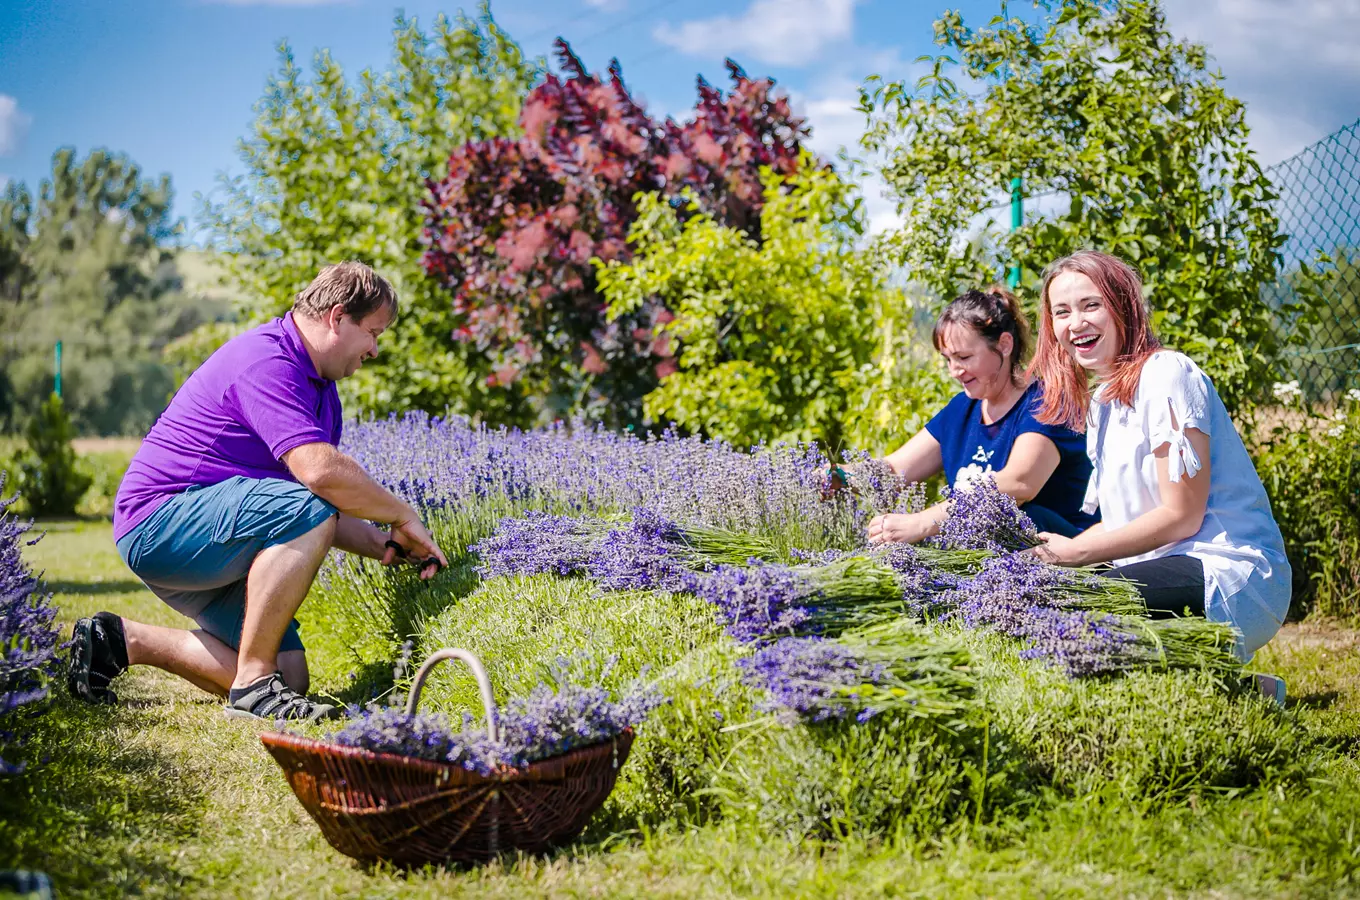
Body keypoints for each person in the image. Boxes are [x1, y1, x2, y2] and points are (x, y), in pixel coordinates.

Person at [67, 261, 449, 722]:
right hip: (160, 523)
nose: (374, 349)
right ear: (337, 317)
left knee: (288, 677)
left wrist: (390, 543)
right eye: (373, 332)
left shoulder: (320, 390)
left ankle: (118, 640)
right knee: (262, 664)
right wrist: (401, 514)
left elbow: (321, 506)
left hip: (208, 536)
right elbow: (319, 479)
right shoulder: (267, 360)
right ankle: (250, 687)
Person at [1026, 250, 1290, 699]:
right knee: (1034, 596)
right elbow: (1128, 516)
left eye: (1092, 305)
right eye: (1061, 312)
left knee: (1061, 607)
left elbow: (1181, 516)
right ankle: (1239, 693)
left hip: (1229, 571)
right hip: (1164, 572)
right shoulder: (1104, 402)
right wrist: (1043, 557)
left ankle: (1212, 685)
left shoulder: (1167, 373)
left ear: (1124, 305)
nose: (1075, 323)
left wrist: (1077, 553)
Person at [862, 287, 1099, 545]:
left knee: (1016, 516)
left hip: (1069, 556)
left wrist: (922, 522)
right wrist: (836, 477)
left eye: (964, 357)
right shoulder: (962, 408)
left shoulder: (1048, 402)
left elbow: (1019, 483)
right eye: (948, 360)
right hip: (989, 562)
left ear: (1005, 344)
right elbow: (895, 470)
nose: (954, 371)